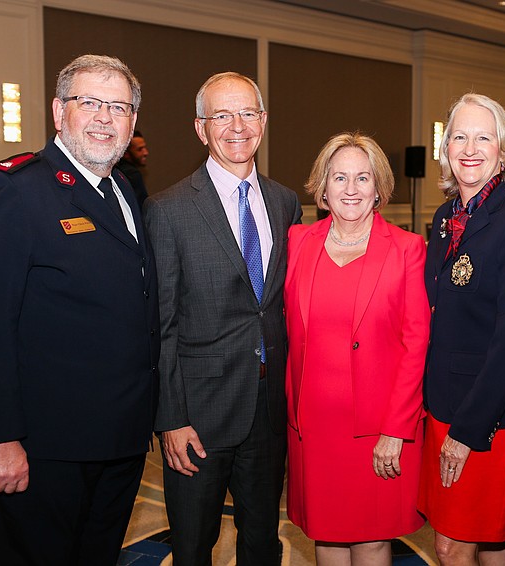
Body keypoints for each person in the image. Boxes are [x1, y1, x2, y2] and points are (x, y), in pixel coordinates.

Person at [0, 54, 159, 565]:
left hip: (116, 440)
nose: (106, 117)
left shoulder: (122, 190)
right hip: (39, 449)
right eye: (91, 102)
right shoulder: (11, 190)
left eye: (120, 107)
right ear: (60, 112)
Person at [144, 71, 301, 565]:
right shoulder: (167, 210)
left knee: (262, 540)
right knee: (192, 546)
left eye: (247, 113)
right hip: (199, 417)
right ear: (200, 127)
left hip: (269, 408)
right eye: (221, 115)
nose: (237, 126)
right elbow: (162, 325)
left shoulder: (285, 202)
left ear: (264, 121)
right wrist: (171, 419)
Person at [285, 133, 430, 565]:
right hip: (313, 427)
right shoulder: (298, 243)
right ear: (322, 189)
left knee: (370, 538)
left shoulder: (406, 249)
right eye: (340, 178)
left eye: (362, 178)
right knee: (325, 536)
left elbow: (416, 343)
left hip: (377, 429)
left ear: (379, 188)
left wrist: (396, 429)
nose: (351, 189)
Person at [419, 93, 505, 565]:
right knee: (490, 536)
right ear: (445, 147)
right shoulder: (445, 217)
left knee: (454, 543)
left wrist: (469, 429)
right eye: (459, 136)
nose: (469, 148)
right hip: (443, 404)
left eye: (483, 137)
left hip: (490, 415)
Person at [117, 129, 150, 208]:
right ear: (126, 153)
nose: (146, 152)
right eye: (140, 149)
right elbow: (143, 206)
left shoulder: (116, 172)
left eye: (144, 147)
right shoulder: (132, 174)